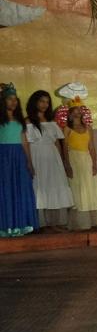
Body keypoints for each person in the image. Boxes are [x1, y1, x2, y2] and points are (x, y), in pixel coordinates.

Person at [25, 90, 73, 231]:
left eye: (47, 102)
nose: (44, 104)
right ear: (35, 102)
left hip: (53, 158)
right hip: (37, 156)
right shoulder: (28, 121)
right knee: (40, 187)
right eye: (41, 101)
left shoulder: (52, 122)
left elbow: (57, 143)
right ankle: (41, 224)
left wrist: (63, 162)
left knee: (53, 186)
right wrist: (28, 162)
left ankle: (54, 223)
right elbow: (26, 143)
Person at [0, 84, 38, 237]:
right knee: (6, 189)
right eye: (10, 99)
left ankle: (21, 224)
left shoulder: (20, 120)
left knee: (19, 188)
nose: (13, 102)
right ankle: (6, 226)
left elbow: (25, 142)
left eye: (15, 100)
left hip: (18, 156)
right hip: (3, 156)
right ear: (3, 101)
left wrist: (29, 162)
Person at [63, 105, 97, 227]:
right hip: (74, 159)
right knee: (76, 189)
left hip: (86, 159)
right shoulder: (67, 129)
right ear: (70, 115)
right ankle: (74, 224)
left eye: (79, 112)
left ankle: (92, 223)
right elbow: (65, 148)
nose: (77, 114)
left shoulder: (88, 128)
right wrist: (67, 165)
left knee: (90, 189)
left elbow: (91, 147)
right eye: (74, 112)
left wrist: (94, 164)